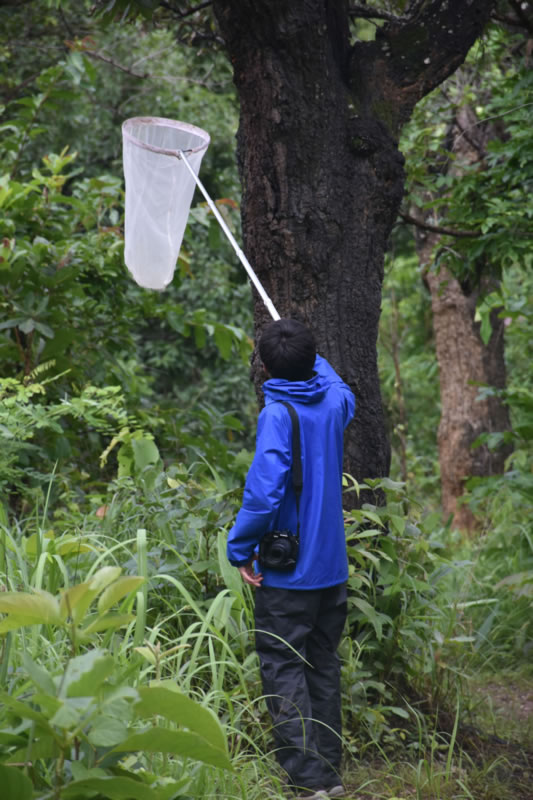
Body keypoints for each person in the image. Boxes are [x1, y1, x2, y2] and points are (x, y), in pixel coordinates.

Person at [227, 318, 356, 799]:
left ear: (262, 367)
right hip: (332, 569)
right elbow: (338, 381)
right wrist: (309, 355)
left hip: (289, 573)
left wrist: (239, 548)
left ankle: (308, 781)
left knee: (283, 665)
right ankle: (330, 774)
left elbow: (263, 496)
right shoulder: (336, 403)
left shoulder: (277, 414)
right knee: (322, 663)